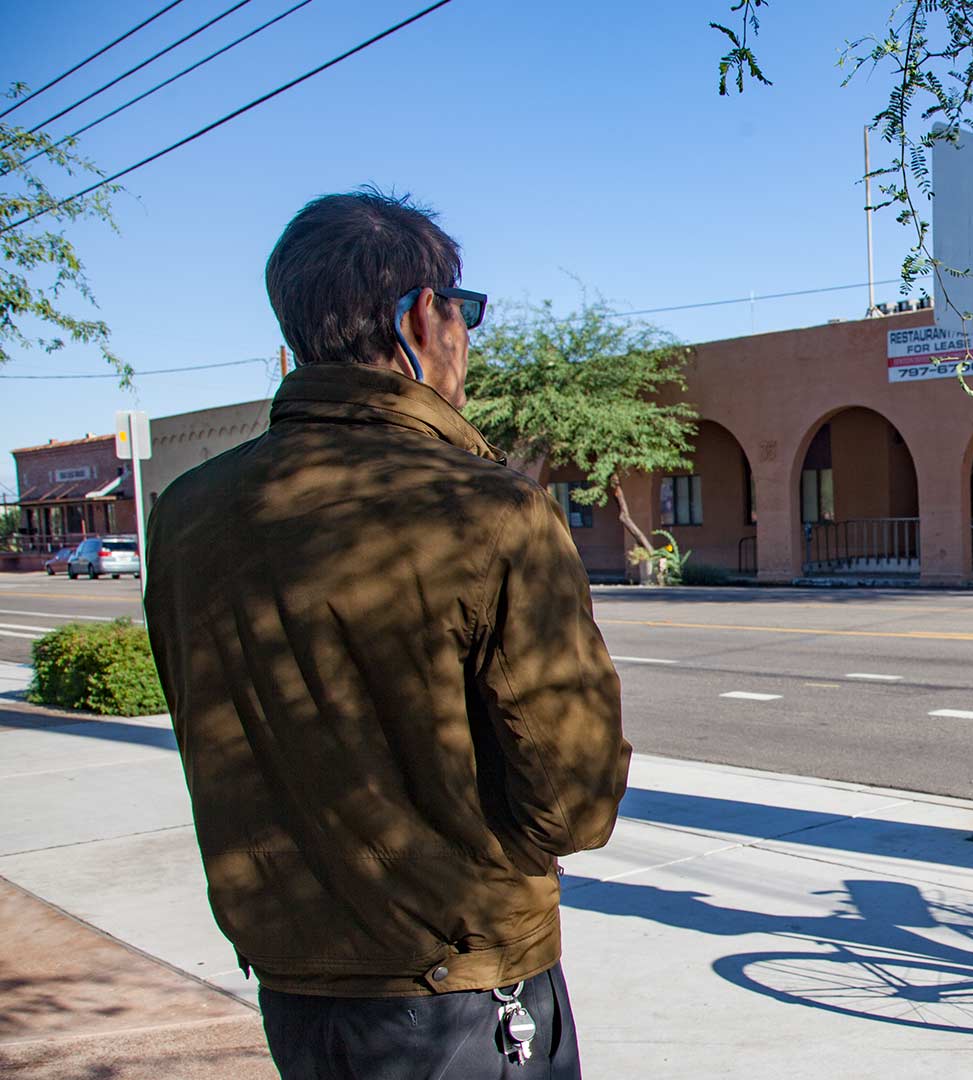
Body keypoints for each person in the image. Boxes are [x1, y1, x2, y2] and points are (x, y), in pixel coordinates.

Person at [145, 190, 632, 1078]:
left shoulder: (187, 513)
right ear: (421, 316)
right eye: (466, 309)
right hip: (460, 986)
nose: (469, 337)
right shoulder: (484, 507)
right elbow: (575, 803)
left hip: (295, 977)